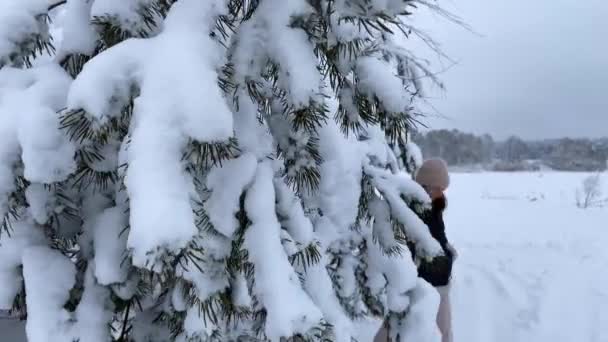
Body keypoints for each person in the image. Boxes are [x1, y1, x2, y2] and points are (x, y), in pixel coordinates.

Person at [373, 158, 456, 342]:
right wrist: (447, 258)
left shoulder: (433, 208)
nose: (442, 193)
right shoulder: (414, 212)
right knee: (402, 327)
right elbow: (415, 251)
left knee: (443, 331)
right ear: (426, 187)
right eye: (439, 188)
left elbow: (436, 241)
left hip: (436, 283)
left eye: (444, 188)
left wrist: (447, 251)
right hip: (424, 285)